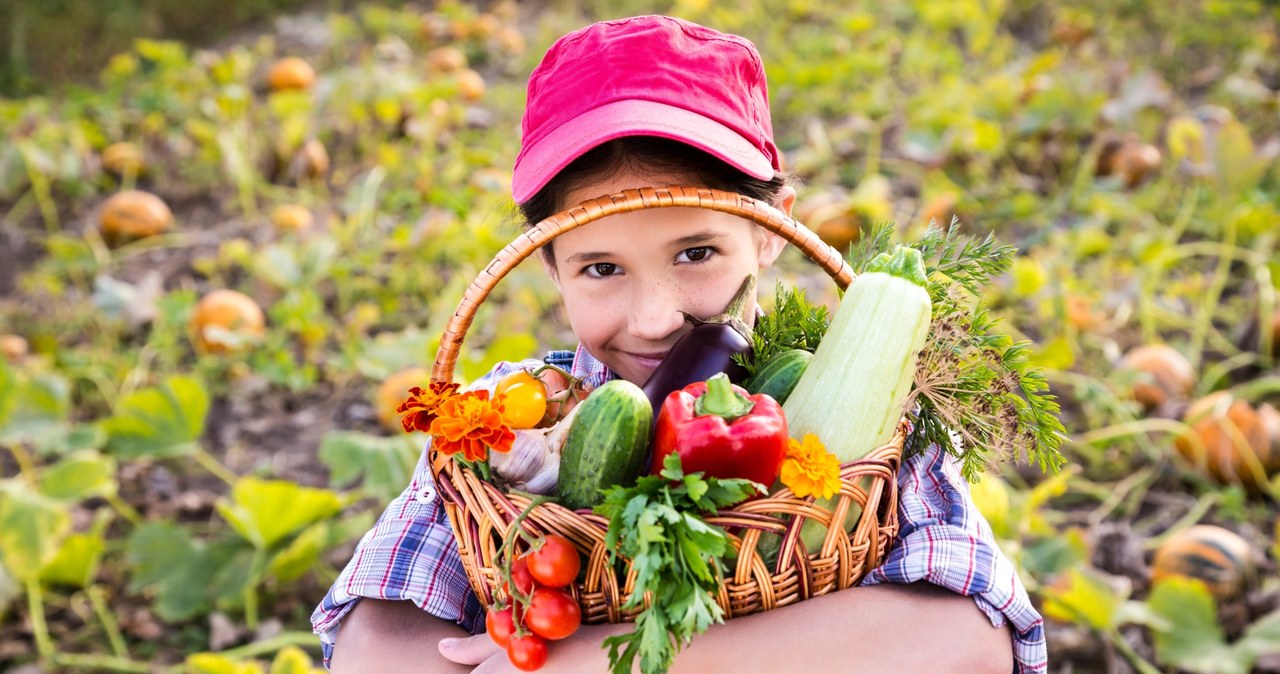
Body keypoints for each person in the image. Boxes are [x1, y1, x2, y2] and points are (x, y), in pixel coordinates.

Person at [313, 15, 1044, 673]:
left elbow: (971, 641)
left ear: (771, 230)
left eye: (695, 253)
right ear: (546, 261)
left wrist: (609, 661)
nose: (655, 318)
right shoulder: (506, 414)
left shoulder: (879, 414)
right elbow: (373, 643)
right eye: (601, 268)